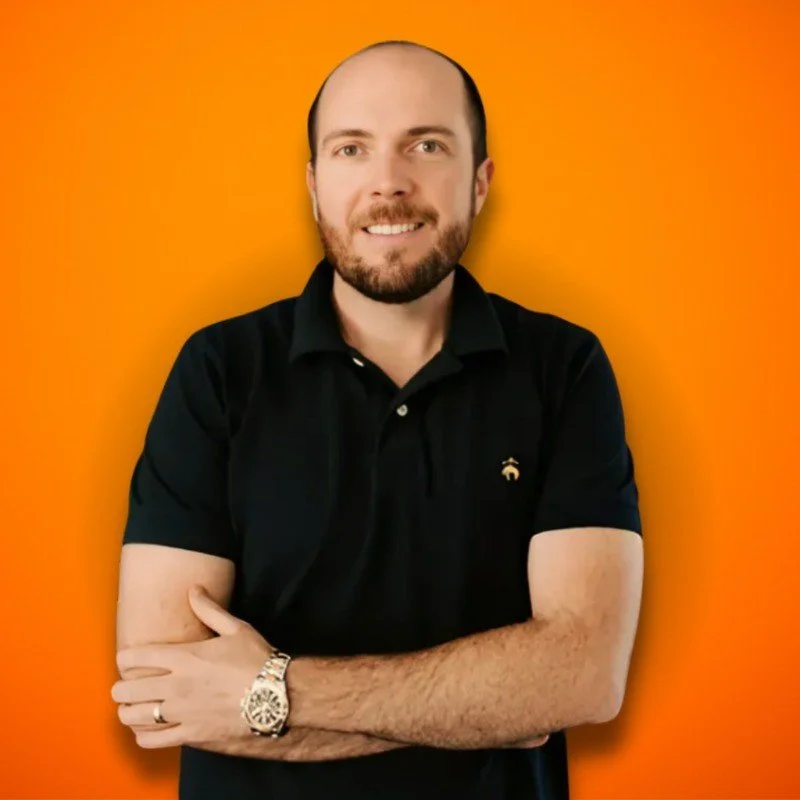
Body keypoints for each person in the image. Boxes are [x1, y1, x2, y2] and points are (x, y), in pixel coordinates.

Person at [112, 39, 644, 800]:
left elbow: (582, 679)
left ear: (481, 180)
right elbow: (165, 692)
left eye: (426, 145)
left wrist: (272, 693)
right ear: (315, 182)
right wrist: (492, 703)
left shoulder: (565, 368)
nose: (388, 183)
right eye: (352, 148)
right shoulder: (219, 370)